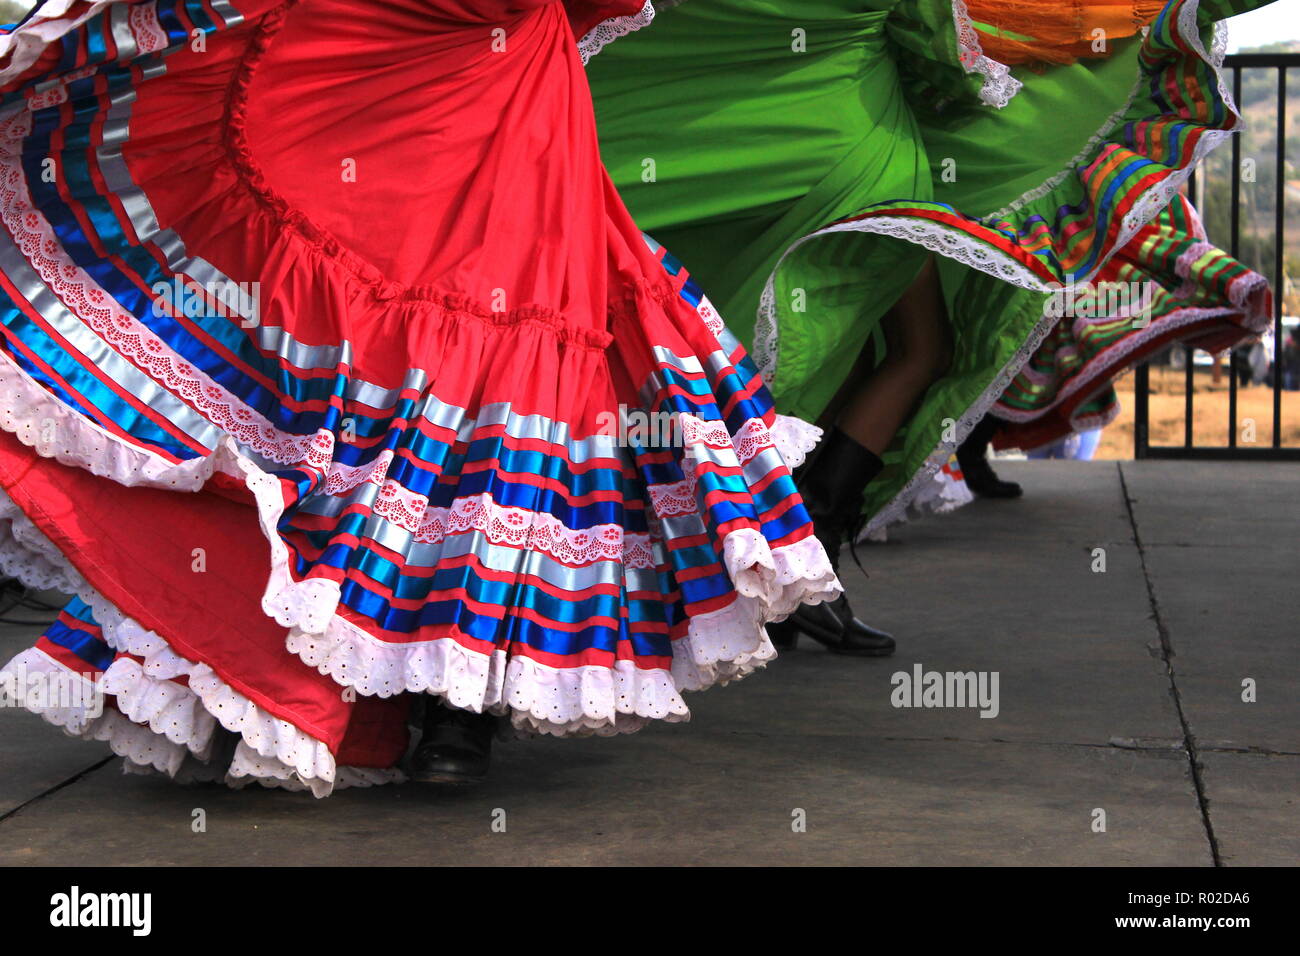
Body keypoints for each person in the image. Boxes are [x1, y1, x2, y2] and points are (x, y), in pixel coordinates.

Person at [0, 0, 841, 794]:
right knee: (377, 368)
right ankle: (342, 682)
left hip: (484, 85)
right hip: (393, 64)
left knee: (480, 363)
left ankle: (440, 702)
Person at [589, 0, 1268, 633]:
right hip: (866, 164)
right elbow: (949, 40)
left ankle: (793, 559)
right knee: (914, 352)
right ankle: (801, 563)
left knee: (866, 349)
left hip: (826, 147)